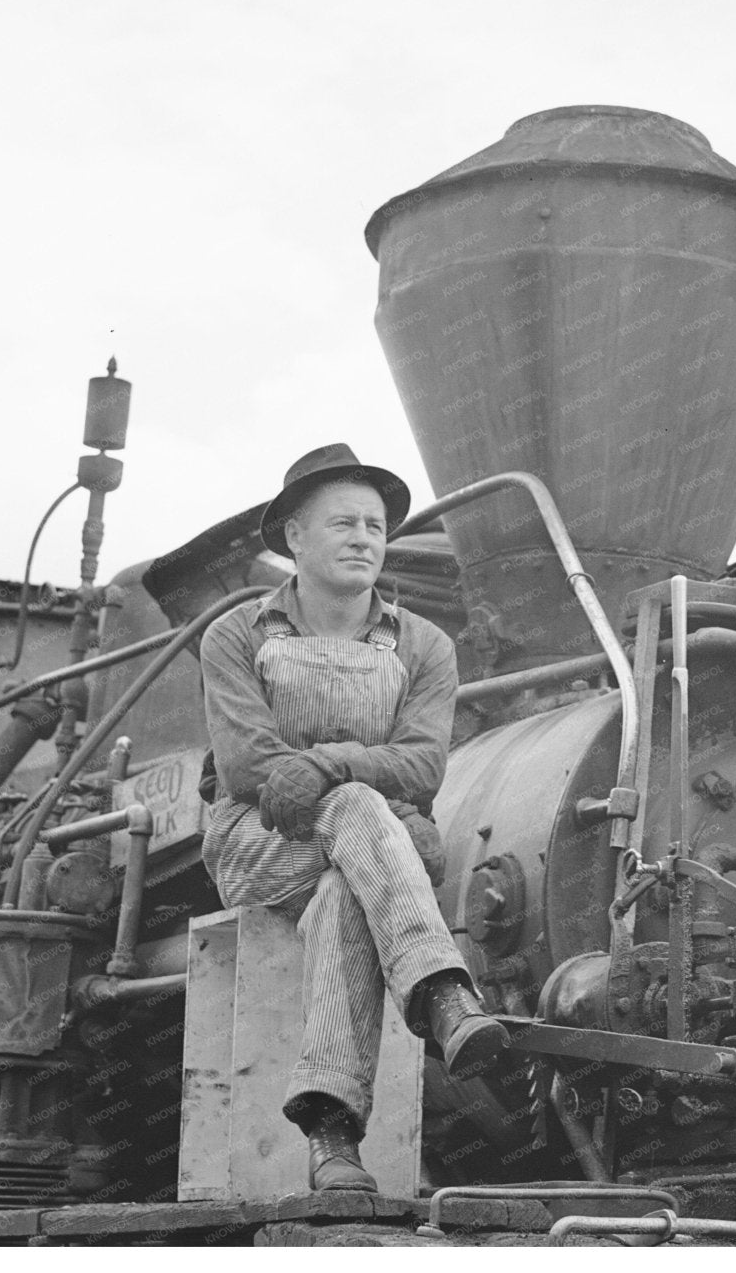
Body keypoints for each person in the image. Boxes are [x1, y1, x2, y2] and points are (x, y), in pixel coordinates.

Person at [197, 443, 508, 1193]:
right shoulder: (236, 635)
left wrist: (331, 766)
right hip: (255, 842)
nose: (365, 536)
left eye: (375, 524)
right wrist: (367, 788)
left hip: (360, 851)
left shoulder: (425, 645)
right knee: (361, 812)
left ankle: (333, 1137)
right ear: (295, 538)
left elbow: (425, 765)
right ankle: (439, 992)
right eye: (343, 521)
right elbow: (247, 768)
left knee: (346, 887)